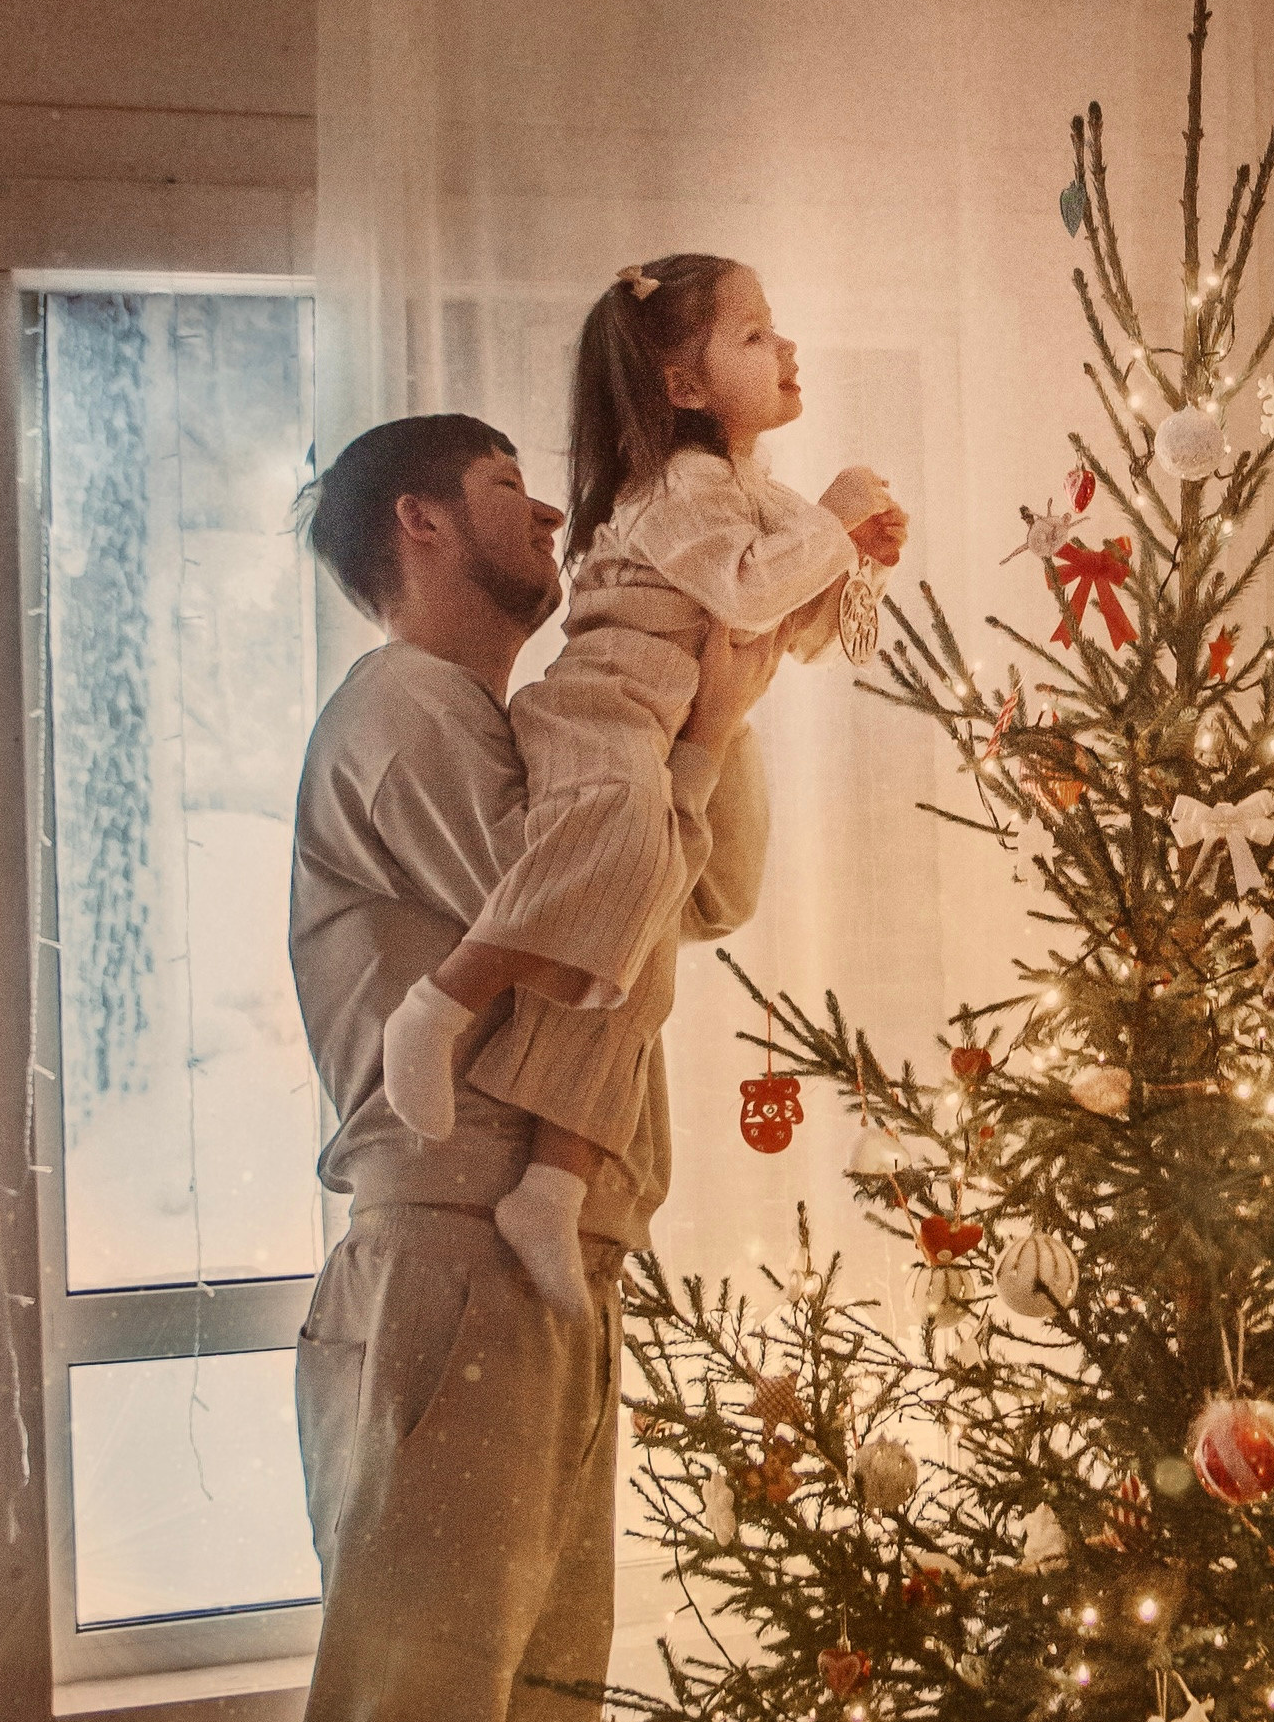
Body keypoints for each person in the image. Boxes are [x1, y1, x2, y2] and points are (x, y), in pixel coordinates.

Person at [240, 410, 790, 1722]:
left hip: (557, 1272)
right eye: (504, 487)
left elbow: (698, 883)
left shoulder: (551, 729)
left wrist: (711, 713)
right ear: (413, 519)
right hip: (441, 1275)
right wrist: (705, 698)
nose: (547, 515)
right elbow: (604, 894)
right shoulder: (400, 712)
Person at [379, 256, 907, 1317]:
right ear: (680, 388)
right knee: (620, 838)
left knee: (635, 969)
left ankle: (554, 1177)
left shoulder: (753, 494)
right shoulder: (675, 489)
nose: (787, 347)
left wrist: (859, 564)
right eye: (754, 335)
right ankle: (438, 1005)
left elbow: (789, 631)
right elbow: (749, 584)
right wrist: (833, 516)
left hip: (666, 734)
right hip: (599, 715)